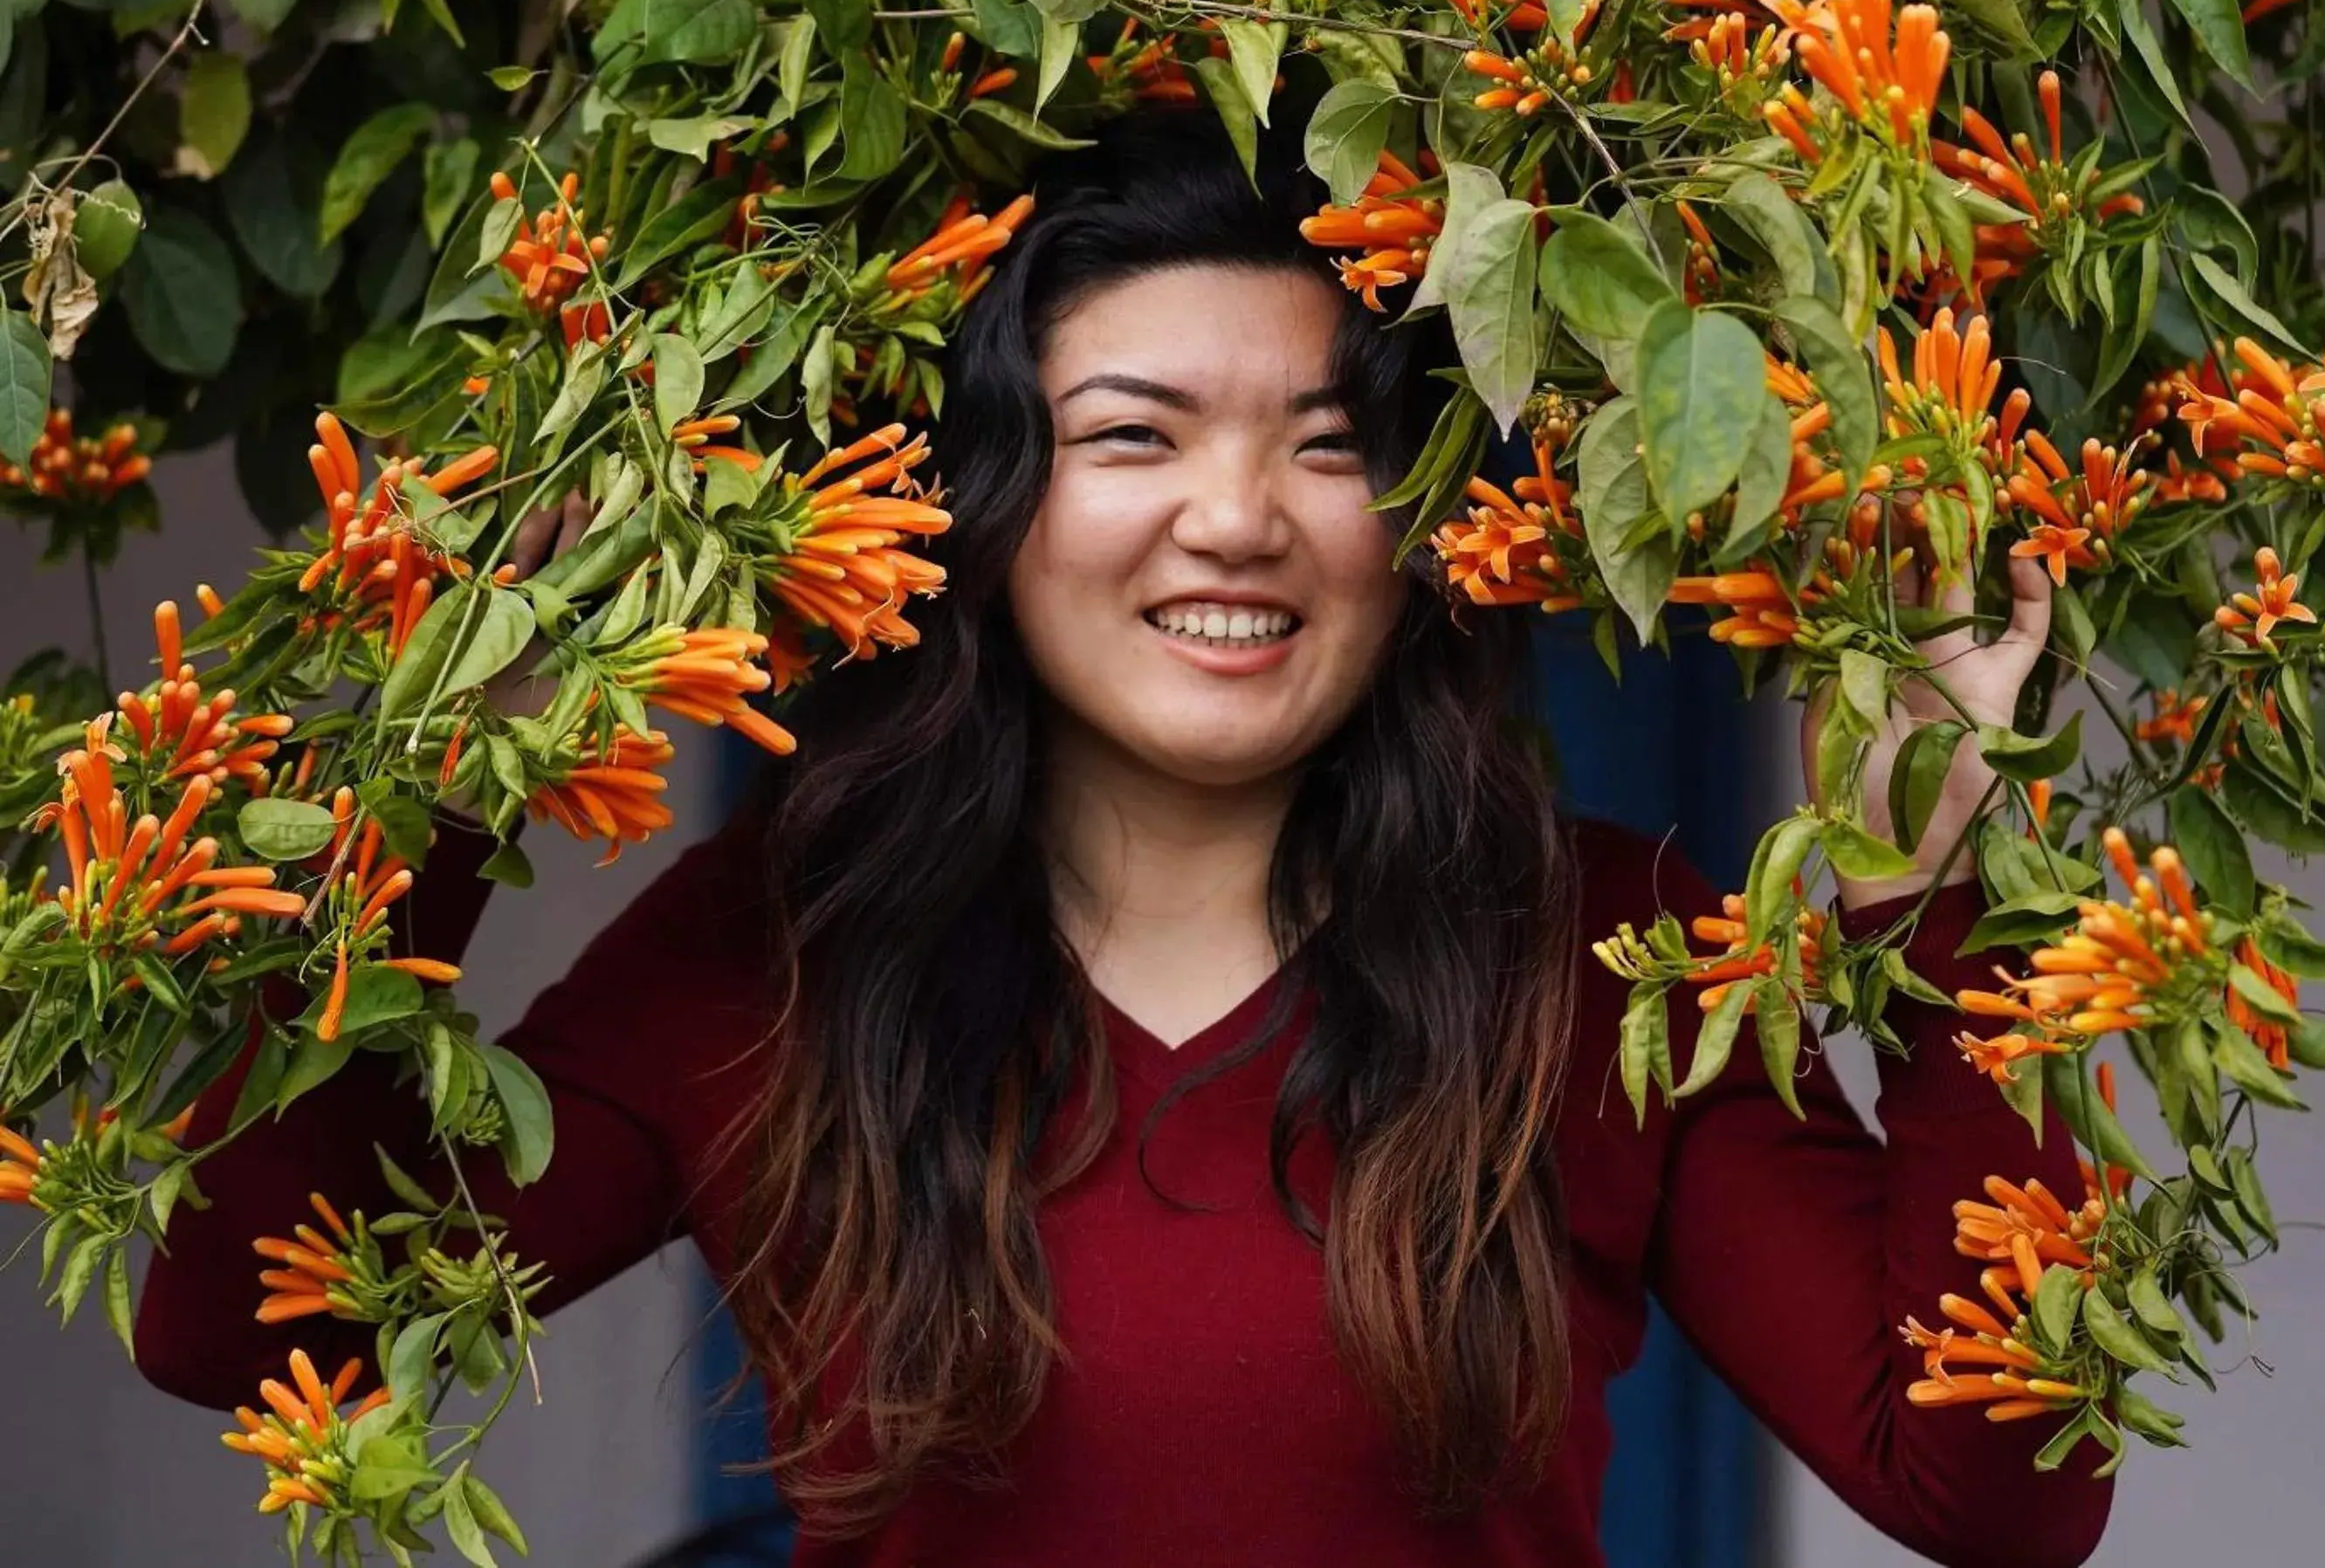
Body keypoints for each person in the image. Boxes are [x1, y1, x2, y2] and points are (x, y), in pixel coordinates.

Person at [134, 109, 2109, 1568]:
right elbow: (236, 1319)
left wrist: (1939, 911)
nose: (1238, 519)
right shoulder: (786, 949)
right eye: (1135, 437)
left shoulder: (1602, 957)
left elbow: (1997, 1495)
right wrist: (450, 780)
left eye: (1328, 443)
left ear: (1419, 536)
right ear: (987, 516)